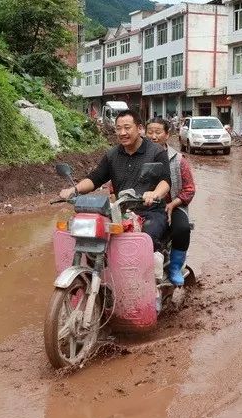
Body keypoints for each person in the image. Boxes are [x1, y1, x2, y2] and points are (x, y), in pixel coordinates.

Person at [59, 110, 171, 250]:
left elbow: (165, 181)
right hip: (120, 212)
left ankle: (153, 269)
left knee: (147, 240)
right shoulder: (112, 155)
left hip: (150, 212)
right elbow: (95, 178)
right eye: (118, 128)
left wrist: (154, 194)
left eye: (127, 127)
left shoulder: (156, 152)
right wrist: (74, 189)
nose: (122, 132)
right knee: (93, 233)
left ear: (140, 128)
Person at [146, 118, 195, 288]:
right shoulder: (140, 156)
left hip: (172, 205)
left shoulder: (178, 159)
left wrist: (173, 204)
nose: (153, 136)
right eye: (150, 132)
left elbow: (189, 189)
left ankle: (174, 267)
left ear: (167, 135)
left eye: (158, 132)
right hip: (144, 207)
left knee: (182, 228)